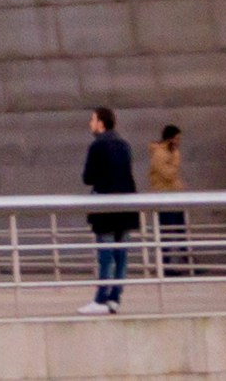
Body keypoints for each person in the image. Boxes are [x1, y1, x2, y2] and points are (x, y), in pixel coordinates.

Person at [79, 108, 138, 310]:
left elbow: (88, 177)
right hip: (126, 207)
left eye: (93, 120)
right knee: (121, 256)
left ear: (101, 123)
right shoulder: (124, 145)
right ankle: (115, 298)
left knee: (106, 256)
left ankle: (101, 299)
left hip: (105, 208)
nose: (90, 123)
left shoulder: (98, 146)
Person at [146, 123, 186, 277]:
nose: (178, 142)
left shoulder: (171, 153)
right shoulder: (160, 154)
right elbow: (169, 175)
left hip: (174, 196)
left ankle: (187, 261)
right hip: (164, 197)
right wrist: (175, 159)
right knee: (167, 232)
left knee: (181, 231)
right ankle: (165, 265)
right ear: (170, 138)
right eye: (177, 138)